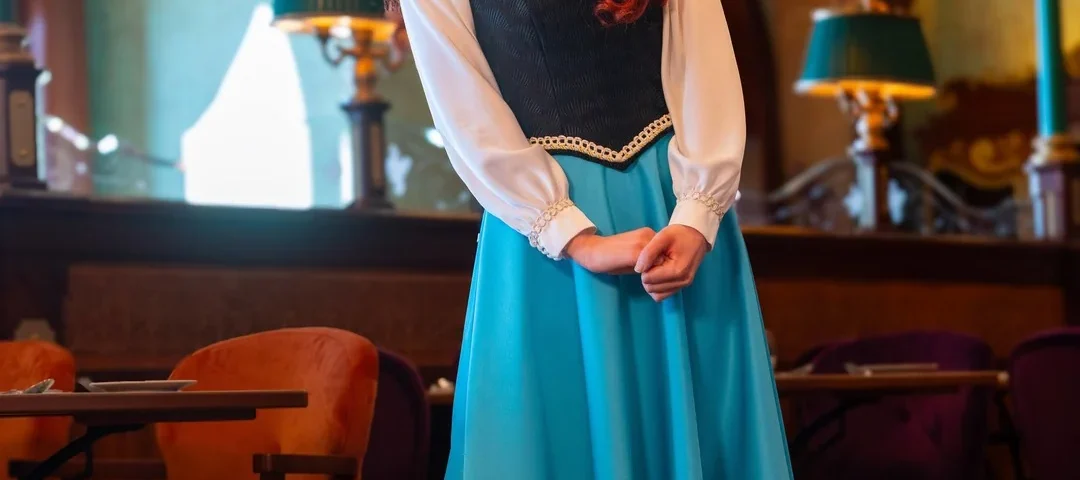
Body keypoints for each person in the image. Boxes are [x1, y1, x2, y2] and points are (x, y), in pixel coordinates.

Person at [400, 0, 793, 478]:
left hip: (677, 216)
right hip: (546, 235)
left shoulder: (691, 212)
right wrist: (574, 238)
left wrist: (697, 215)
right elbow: (464, 103)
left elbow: (703, 55)